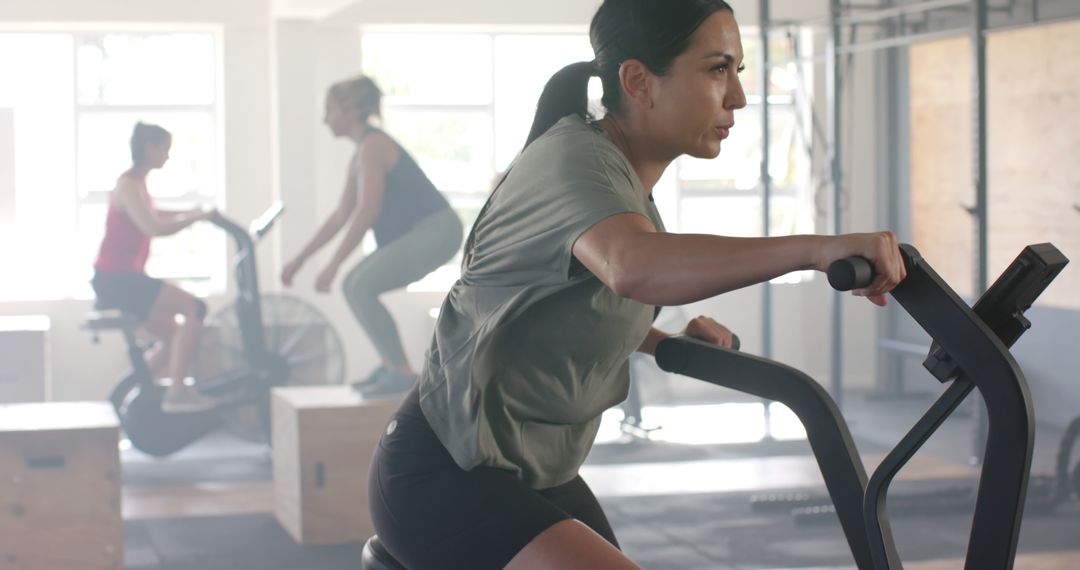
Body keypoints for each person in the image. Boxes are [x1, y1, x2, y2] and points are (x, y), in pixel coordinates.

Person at [368, 1, 907, 568]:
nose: (738, 98)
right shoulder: (575, 160)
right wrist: (816, 249)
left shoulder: (623, 186)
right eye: (717, 69)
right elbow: (632, 267)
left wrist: (660, 335)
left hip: (534, 468)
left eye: (738, 71)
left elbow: (574, 297)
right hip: (446, 471)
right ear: (638, 81)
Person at [281, 75, 464, 395]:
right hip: (428, 231)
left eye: (329, 110)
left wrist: (333, 265)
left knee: (359, 284)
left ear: (350, 110)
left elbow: (368, 210)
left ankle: (401, 372)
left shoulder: (374, 146)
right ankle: (392, 366)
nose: (325, 119)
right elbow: (341, 214)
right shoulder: (361, 151)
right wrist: (301, 259)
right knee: (354, 286)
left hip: (437, 230)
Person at [91, 122, 217, 413]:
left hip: (121, 279)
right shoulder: (128, 185)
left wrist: (194, 213)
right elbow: (153, 226)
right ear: (150, 149)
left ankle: (134, 398)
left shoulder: (136, 185)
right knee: (196, 308)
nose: (168, 156)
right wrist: (195, 219)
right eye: (165, 150)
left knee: (173, 335)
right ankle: (177, 391)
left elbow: (153, 213)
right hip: (118, 280)